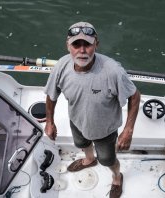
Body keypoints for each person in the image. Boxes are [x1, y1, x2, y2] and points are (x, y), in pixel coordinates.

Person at [44, 21, 140, 198]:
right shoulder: (61, 66)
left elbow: (135, 96)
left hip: (105, 131)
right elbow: (51, 95)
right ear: (68, 46)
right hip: (77, 122)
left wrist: (128, 130)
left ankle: (117, 178)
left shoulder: (113, 71)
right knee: (81, 144)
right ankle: (89, 159)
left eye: (87, 44)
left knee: (108, 160)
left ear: (96, 44)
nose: (82, 50)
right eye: (76, 44)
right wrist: (50, 122)